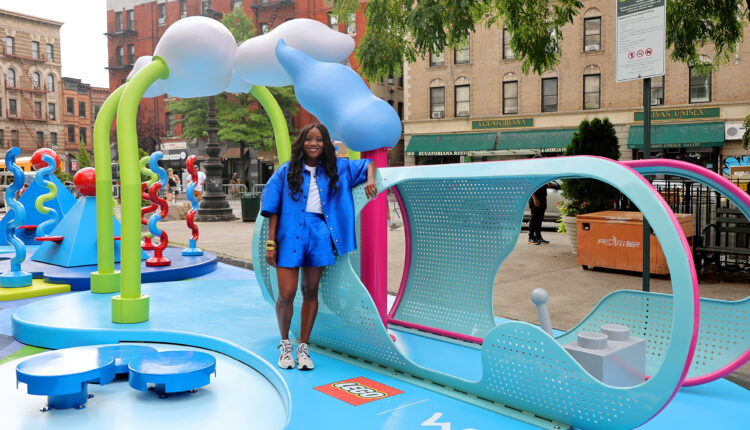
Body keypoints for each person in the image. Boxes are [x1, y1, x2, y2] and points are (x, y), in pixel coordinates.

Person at [260, 123, 377, 371]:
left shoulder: (337, 169)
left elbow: (368, 164)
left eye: (319, 140)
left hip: (319, 234)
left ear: (326, 144)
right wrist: (271, 243)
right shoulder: (286, 171)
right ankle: (285, 345)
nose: (314, 143)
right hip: (289, 235)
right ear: (302, 143)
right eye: (309, 139)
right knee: (286, 294)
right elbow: (273, 209)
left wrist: (370, 179)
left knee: (311, 292)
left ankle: (304, 347)